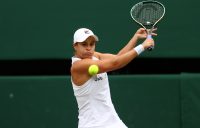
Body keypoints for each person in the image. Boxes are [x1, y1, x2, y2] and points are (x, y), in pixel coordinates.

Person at [70, 27, 157, 128]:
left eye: (92, 44)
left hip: (113, 122)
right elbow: (116, 63)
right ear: (75, 46)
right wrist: (142, 46)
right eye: (84, 44)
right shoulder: (78, 66)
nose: (89, 48)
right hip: (92, 125)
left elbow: (118, 58)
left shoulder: (95, 56)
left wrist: (135, 37)